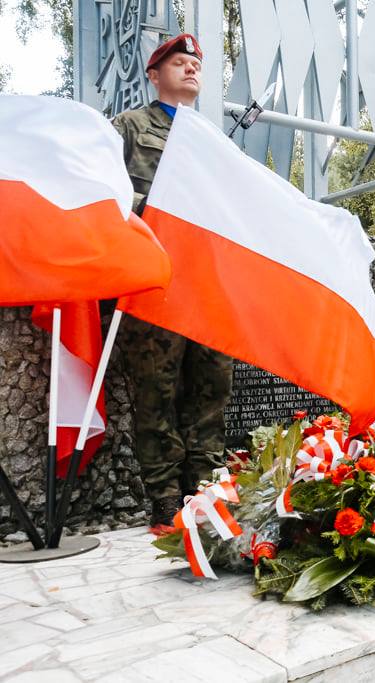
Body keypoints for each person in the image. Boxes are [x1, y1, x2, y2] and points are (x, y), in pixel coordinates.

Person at [111, 34, 234, 526]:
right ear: (154, 74)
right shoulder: (129, 126)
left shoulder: (210, 139)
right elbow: (111, 196)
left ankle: (204, 487)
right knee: (155, 388)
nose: (189, 70)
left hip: (205, 283)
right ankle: (164, 494)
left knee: (212, 383)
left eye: (194, 65)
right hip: (154, 281)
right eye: (178, 63)